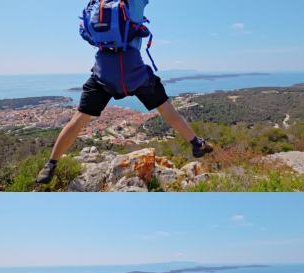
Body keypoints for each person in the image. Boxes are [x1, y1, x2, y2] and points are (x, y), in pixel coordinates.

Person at [36, 0, 213, 185]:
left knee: (78, 119)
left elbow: (85, 33)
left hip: (104, 73)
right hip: (134, 72)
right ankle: (196, 143)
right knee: (166, 109)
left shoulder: (96, 6)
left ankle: (51, 164)